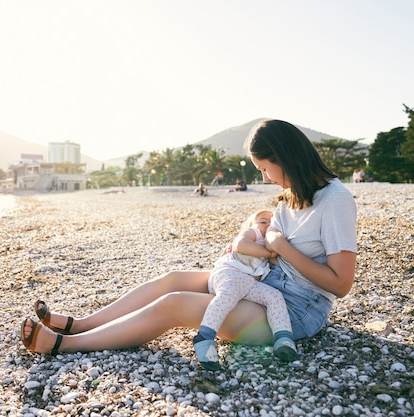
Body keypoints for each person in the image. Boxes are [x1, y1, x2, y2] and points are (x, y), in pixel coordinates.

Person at [21, 119, 357, 367]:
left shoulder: (336, 201)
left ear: (284, 157)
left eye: (264, 169)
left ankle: (66, 345)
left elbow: (341, 284)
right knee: (174, 279)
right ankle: (81, 324)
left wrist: (281, 247)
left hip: (295, 309)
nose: (264, 178)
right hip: (261, 280)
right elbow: (268, 243)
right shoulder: (291, 196)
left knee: (175, 304)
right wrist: (246, 246)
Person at [193, 209, 296, 370]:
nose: (267, 225)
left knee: (274, 296)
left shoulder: (271, 241)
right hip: (229, 274)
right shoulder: (253, 233)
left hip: (247, 283)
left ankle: (283, 338)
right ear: (252, 224)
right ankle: (204, 336)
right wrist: (268, 252)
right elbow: (241, 244)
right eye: (263, 222)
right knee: (229, 294)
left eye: (272, 223)